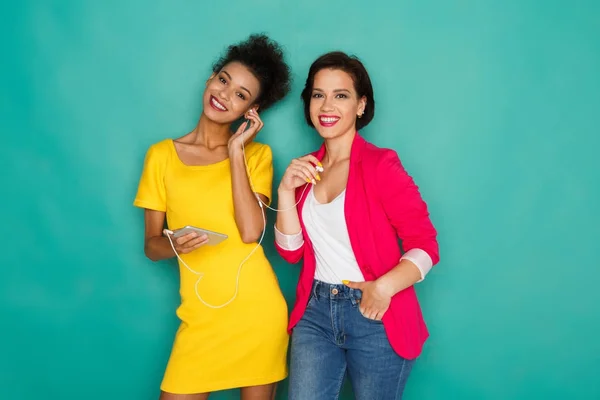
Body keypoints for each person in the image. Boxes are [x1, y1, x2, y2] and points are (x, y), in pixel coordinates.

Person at [133, 34, 291, 400]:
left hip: (257, 313)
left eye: (241, 95)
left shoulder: (257, 157)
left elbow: (252, 232)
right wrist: (175, 244)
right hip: (200, 316)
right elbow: (151, 247)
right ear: (210, 79)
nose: (225, 94)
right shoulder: (161, 156)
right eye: (224, 80)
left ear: (251, 111)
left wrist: (236, 149)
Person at [274, 51, 440, 399]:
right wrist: (286, 192)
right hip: (316, 313)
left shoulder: (382, 165)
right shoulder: (307, 171)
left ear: (361, 105)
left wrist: (383, 288)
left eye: (341, 95)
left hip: (375, 316)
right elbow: (291, 254)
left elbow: (425, 246)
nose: (326, 106)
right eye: (318, 94)